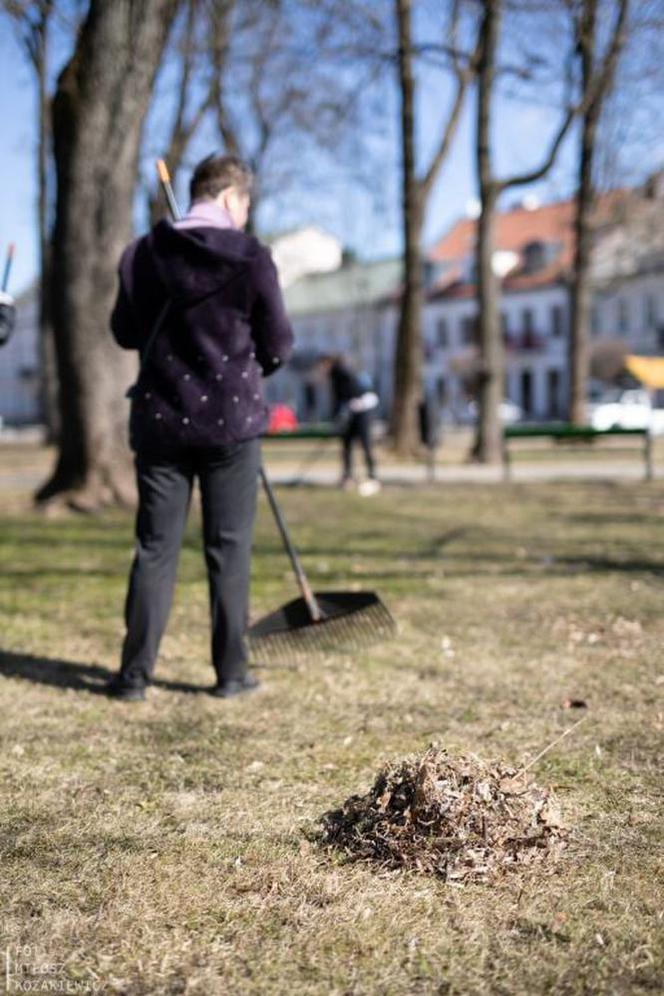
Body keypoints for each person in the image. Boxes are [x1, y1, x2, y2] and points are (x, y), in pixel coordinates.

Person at [107, 154, 294, 701]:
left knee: (155, 548)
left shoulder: (142, 254)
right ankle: (231, 674)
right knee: (229, 548)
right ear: (232, 198)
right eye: (246, 206)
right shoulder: (252, 255)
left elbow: (123, 331)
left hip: (161, 419)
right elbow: (279, 343)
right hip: (231, 424)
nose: (245, 216)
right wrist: (254, 359)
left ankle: (134, 677)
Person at [319, 354, 380, 495]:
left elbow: (353, 391)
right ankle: (349, 476)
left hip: (360, 412)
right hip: (351, 413)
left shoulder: (341, 372)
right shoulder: (336, 374)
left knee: (364, 444)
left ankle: (371, 476)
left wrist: (350, 405)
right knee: (347, 445)